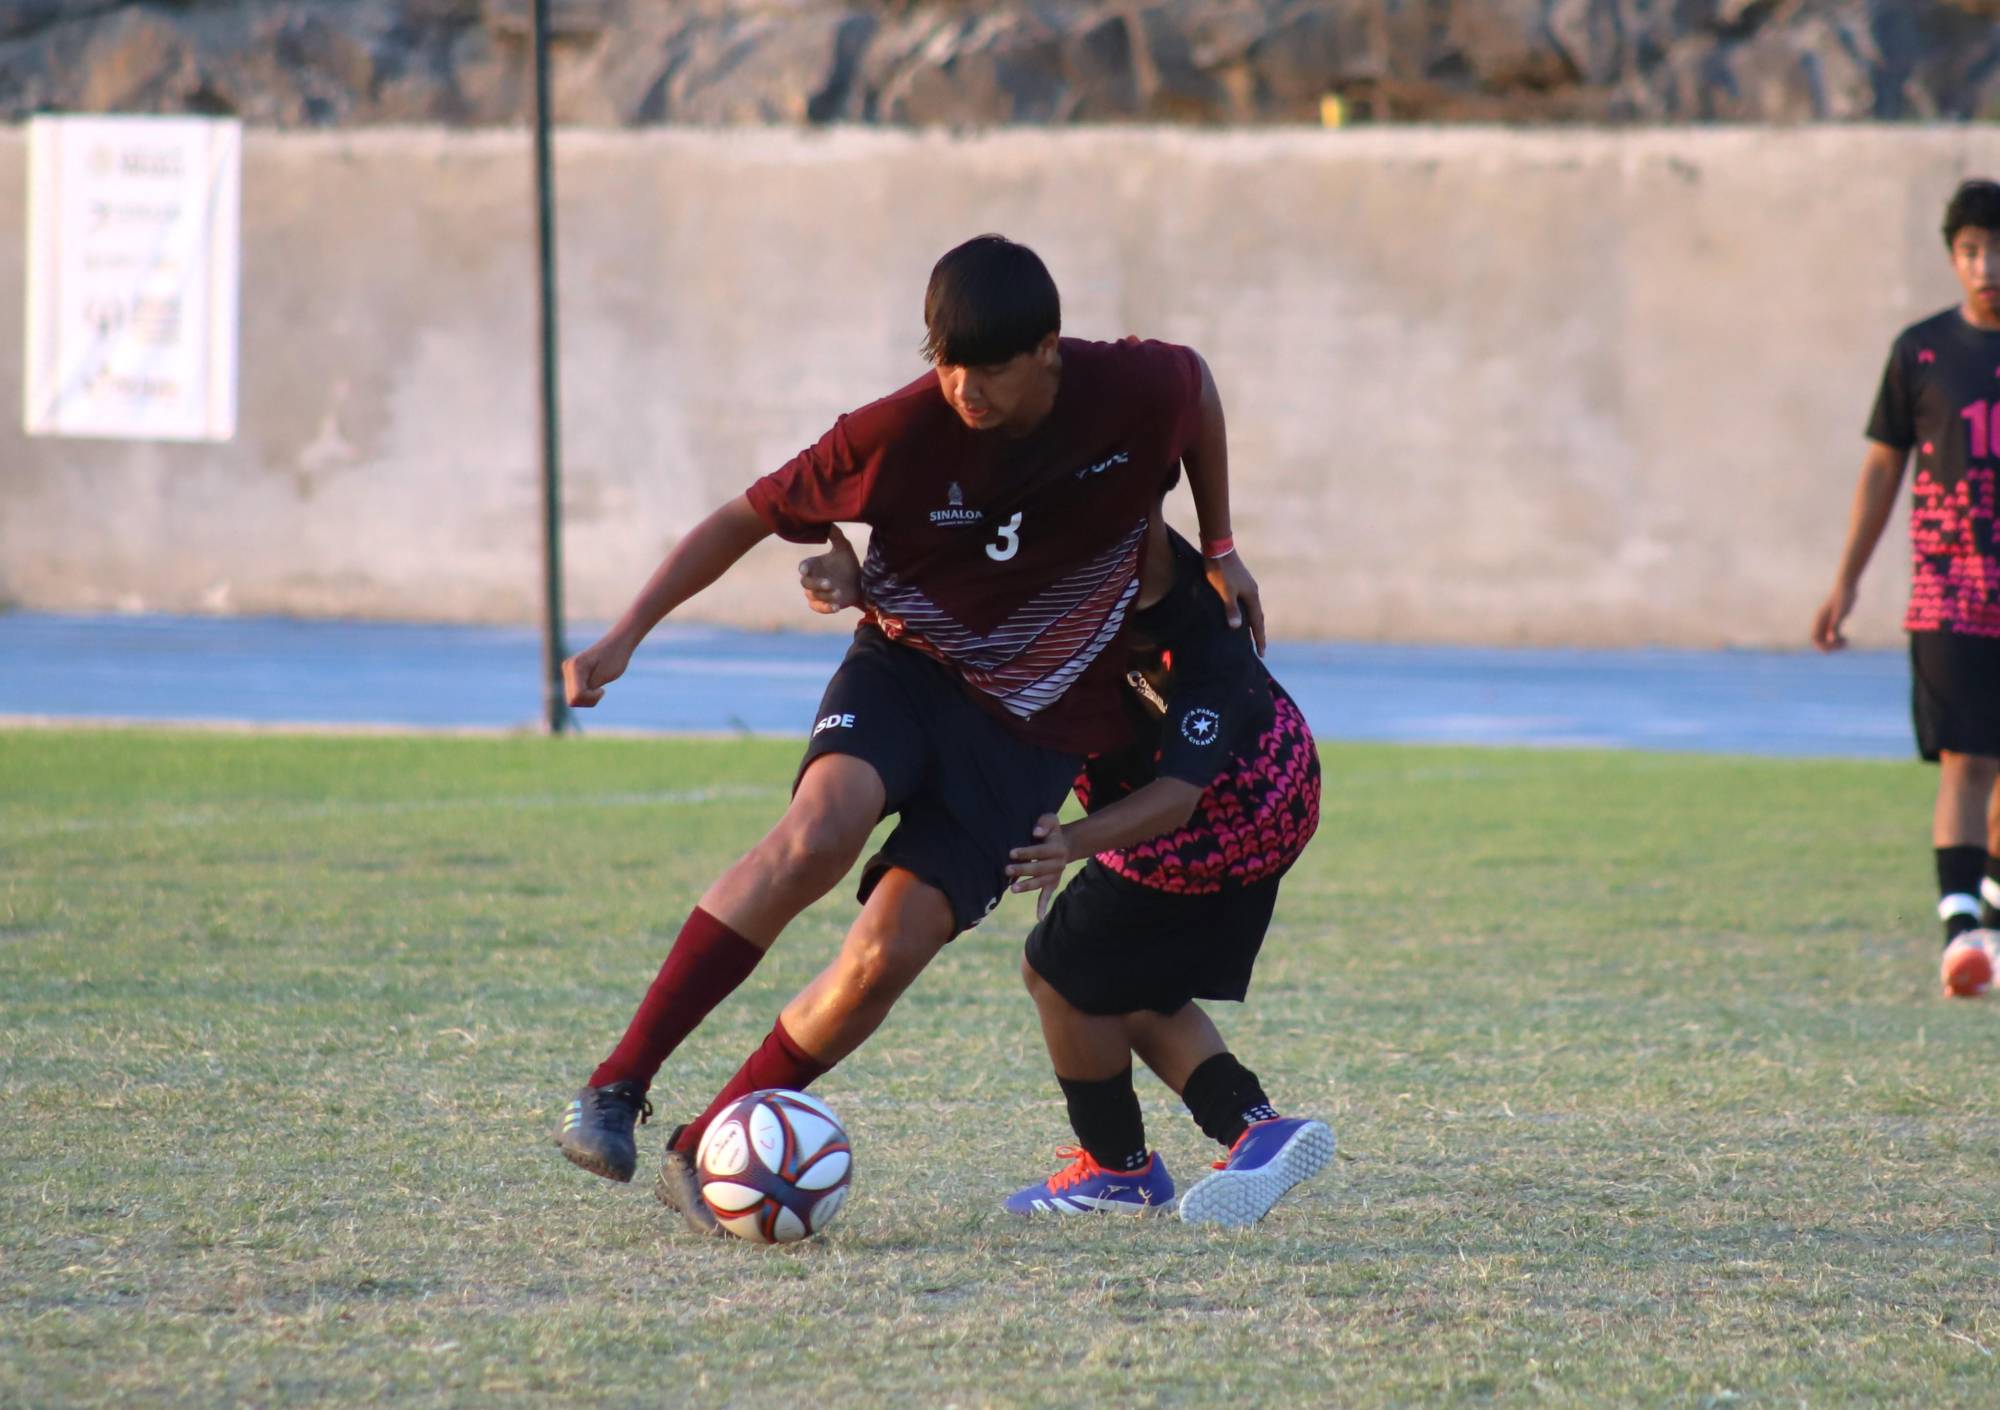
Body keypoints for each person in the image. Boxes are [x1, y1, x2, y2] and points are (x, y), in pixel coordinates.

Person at [552, 234, 1261, 1200]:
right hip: (908, 668)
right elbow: (740, 518)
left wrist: (1220, 543)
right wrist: (623, 637)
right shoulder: (897, 430)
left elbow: (1202, 393)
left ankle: (705, 1143)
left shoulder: (1136, 389)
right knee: (816, 834)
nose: (962, 386)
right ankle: (615, 1085)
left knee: (887, 952)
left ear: (1048, 348)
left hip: (1032, 732)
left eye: (988, 367)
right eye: (944, 359)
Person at [798, 511, 1332, 1227]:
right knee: (1124, 980)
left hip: (1222, 819)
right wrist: (867, 590)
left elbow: (1176, 799)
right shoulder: (1107, 578)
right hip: (1267, 794)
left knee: (1059, 969)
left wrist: (1068, 844)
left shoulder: (1205, 648)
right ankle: (1255, 1127)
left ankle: (1120, 1171)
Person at [1812, 179, 2000, 996]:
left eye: (1996, 249)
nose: (1986, 266)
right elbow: (1883, 467)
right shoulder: (1920, 352)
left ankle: (1986, 919)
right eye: (1969, 252)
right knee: (1967, 760)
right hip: (1952, 592)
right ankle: (1961, 932)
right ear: (1952, 259)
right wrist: (1845, 581)